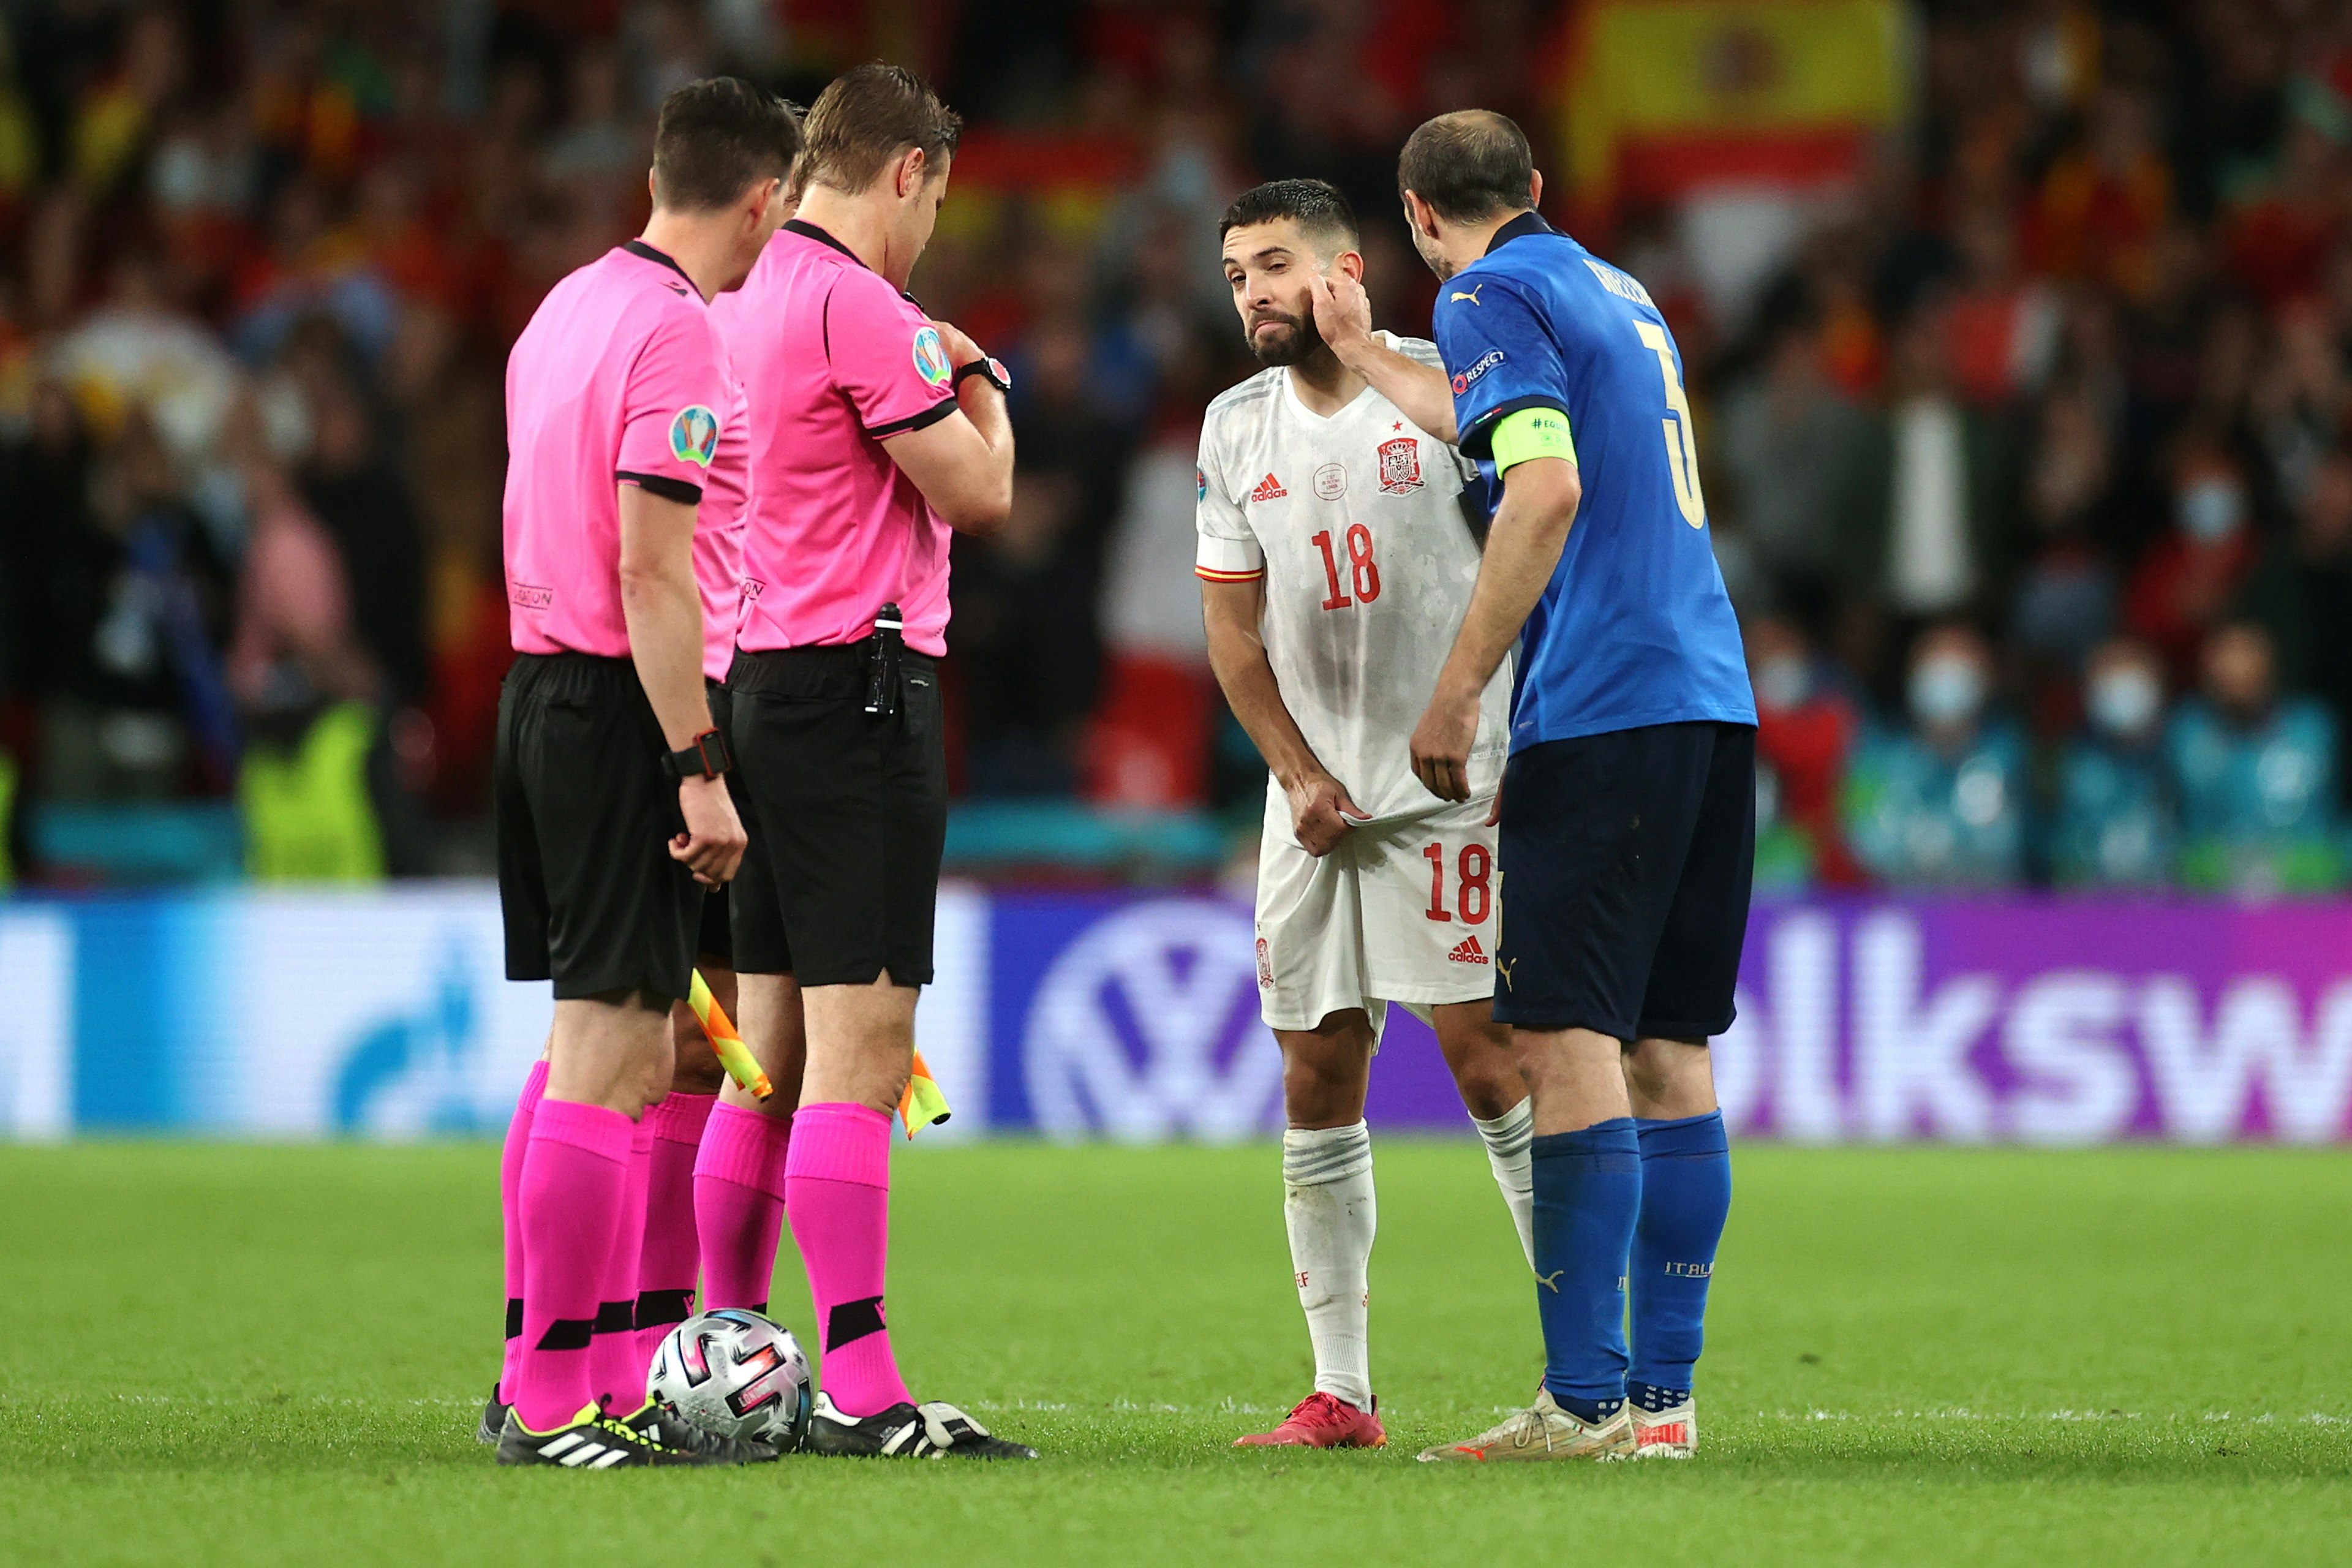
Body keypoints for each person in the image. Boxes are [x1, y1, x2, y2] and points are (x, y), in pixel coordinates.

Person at [1397, 112, 1755, 1464]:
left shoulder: (1485, 291)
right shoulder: (1620, 290)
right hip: (1710, 693)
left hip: (1600, 702)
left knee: (1564, 1042)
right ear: (1538, 189)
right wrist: (1370, 350)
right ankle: (1661, 1406)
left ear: (1424, 221)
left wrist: (1454, 689)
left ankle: (1584, 1398)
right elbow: (1496, 416)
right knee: (1671, 1047)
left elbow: (1538, 485)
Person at [703, 63, 1033, 1461]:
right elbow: (979, 487)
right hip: (860, 695)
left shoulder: (738, 298)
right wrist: (975, 379)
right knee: (860, 1049)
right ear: (903, 171)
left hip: (759, 683)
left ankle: (722, 1351)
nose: (931, 230)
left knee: (762, 1052)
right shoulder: (858, 303)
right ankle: (860, 1380)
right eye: (936, 200)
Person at [1195, 178, 1534, 1450]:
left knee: (1488, 1056)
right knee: (1316, 1068)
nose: (1254, 293)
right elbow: (1232, 637)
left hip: (1450, 784)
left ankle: (1586, 1368)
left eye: (1276, 264)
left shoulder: (1448, 389)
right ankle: (1343, 1389)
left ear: (1349, 271)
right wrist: (1292, 771)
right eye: (1236, 274)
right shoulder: (1233, 429)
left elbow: (1537, 535)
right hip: (1315, 804)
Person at [489, 76, 793, 1469]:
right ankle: (555, 1398)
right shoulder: (677, 337)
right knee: (615, 1059)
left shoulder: (565, 307)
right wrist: (696, 764)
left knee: (579, 1056)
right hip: (625, 705)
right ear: (757, 199)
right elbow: (651, 565)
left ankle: (560, 1364)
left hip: (539, 687)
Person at [1843, 623, 2029, 888]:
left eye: (1959, 671)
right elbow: (1865, 840)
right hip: (1903, 909)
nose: (1946, 683)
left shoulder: (2008, 751)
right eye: (1935, 670)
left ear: (1986, 681)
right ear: (1912, 678)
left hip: (1989, 913)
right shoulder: (1875, 753)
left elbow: (2007, 842)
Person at [2166, 621, 2342, 893]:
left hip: (2309, 898)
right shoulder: (2185, 733)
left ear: (2271, 666)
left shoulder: (2313, 728)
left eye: (2248, 658)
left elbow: (2335, 823)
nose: (2238, 673)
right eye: (2226, 662)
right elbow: (2173, 828)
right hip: (2208, 901)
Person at [2051, 637, 2176, 888]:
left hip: (2173, 913)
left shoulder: (2181, 754)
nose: (2123, 693)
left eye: (2133, 677)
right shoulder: (2072, 763)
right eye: (2110, 679)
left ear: (2158, 686)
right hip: (2092, 914)